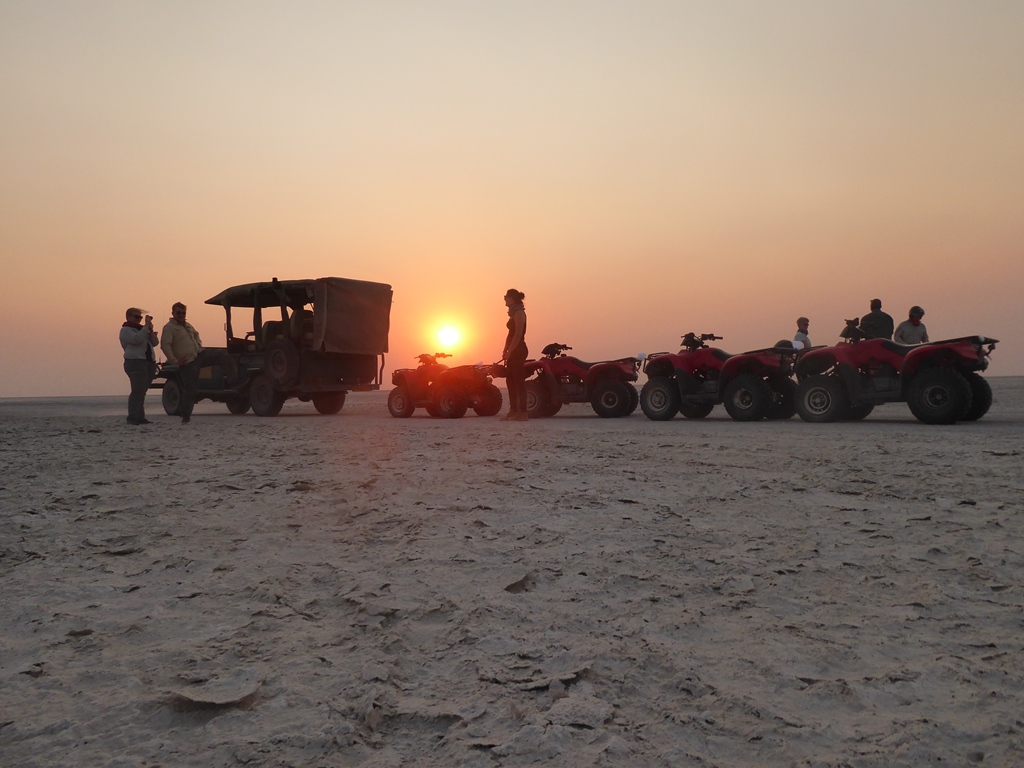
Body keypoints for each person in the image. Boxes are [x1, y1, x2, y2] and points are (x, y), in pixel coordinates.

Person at [160, 302, 239, 423]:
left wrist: (199, 346)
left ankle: (234, 382)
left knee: (221, 354)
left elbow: (196, 335)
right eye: (178, 313)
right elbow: (165, 345)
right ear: (173, 313)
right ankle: (186, 417)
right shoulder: (169, 328)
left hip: (199, 355)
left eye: (183, 313)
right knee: (190, 390)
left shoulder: (187, 325)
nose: (181, 315)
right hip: (187, 362)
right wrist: (174, 361)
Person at [120, 307, 158, 425]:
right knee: (137, 391)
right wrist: (146, 327)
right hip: (135, 362)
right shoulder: (126, 330)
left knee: (142, 391)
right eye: (136, 317)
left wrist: (150, 330)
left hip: (147, 362)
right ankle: (132, 417)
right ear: (128, 317)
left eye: (140, 317)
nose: (139, 320)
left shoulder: (142, 330)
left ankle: (140, 417)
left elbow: (155, 343)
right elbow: (136, 340)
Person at [500, 288, 528, 421]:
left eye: (506, 296)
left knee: (518, 381)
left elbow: (517, 335)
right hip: (512, 349)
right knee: (510, 380)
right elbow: (510, 334)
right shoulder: (512, 314)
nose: (504, 299)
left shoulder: (519, 313)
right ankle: (513, 409)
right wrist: (505, 349)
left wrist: (510, 351)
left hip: (518, 350)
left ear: (511, 298)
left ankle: (522, 412)